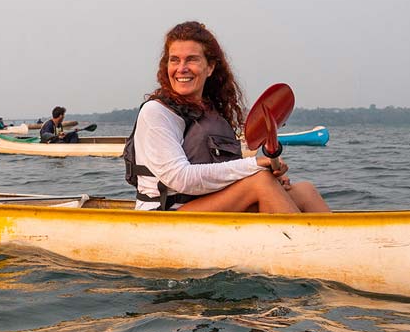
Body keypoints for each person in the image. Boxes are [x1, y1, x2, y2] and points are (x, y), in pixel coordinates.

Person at [131, 21, 329, 213]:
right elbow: (181, 179)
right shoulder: (156, 112)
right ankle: (301, 246)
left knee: (305, 191)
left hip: (205, 204)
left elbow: (225, 172)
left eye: (191, 59)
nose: (181, 68)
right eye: (175, 60)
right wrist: (254, 166)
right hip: (165, 212)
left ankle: (330, 244)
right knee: (260, 182)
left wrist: (269, 173)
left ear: (210, 68)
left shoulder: (212, 115)